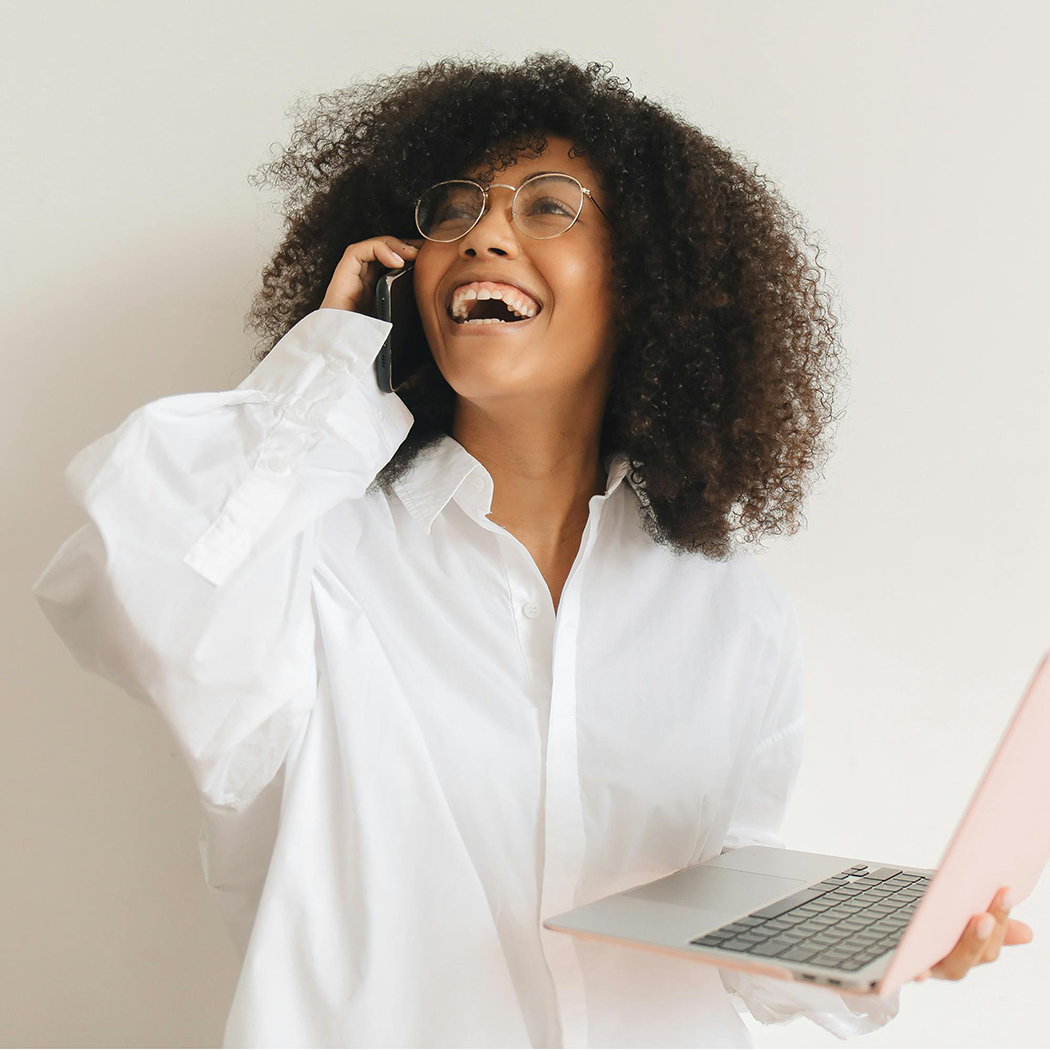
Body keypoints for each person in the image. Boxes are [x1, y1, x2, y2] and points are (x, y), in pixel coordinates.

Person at [31, 52, 1029, 1048]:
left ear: (647, 285)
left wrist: (893, 950)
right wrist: (331, 364)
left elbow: (718, 898)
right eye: (452, 212)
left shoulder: (730, 610)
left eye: (548, 207)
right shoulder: (311, 555)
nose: (484, 236)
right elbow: (136, 584)